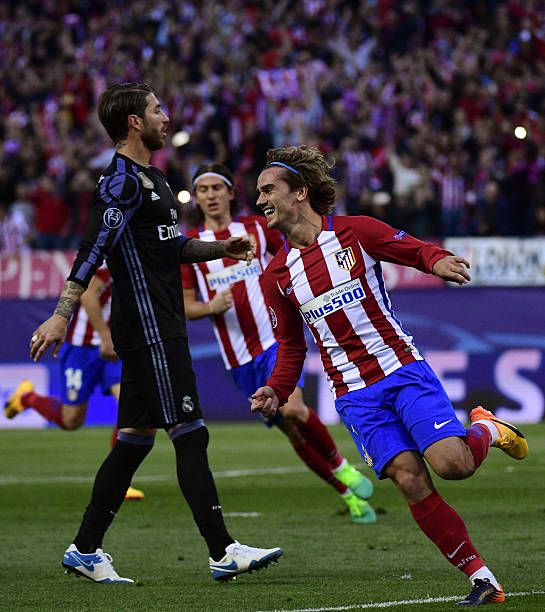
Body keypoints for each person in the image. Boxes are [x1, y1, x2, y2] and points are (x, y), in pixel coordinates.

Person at [251, 145, 529, 606]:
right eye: (259, 192)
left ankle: (487, 428)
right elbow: (292, 346)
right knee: (409, 479)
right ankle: (483, 579)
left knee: (453, 465)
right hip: (354, 395)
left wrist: (436, 260)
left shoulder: (355, 231)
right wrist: (276, 390)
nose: (260, 200)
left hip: (401, 370)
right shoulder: (276, 277)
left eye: (268, 190)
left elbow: (411, 248)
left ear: (300, 192)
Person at [29, 82, 282, 585]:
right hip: (149, 326)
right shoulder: (120, 183)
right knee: (190, 432)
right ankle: (223, 550)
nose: (166, 117)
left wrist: (221, 249)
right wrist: (62, 313)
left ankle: (85, 549)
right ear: (134, 123)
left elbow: (171, 247)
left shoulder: (156, 179)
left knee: (133, 441)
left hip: (159, 323)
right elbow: (92, 248)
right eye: (157, 109)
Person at [181, 162, 376, 524]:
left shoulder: (257, 228)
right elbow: (185, 305)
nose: (210, 196)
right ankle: (347, 494)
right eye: (203, 190)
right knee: (293, 433)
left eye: (216, 188)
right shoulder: (192, 247)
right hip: (239, 359)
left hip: (274, 342)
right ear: (196, 197)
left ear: (230, 193)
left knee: (294, 409)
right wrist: (210, 307)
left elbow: (294, 254)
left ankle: (342, 468)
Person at [4, 266, 144, 500]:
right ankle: (27, 398)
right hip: (82, 349)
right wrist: (105, 336)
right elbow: (87, 295)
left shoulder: (138, 262)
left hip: (115, 349)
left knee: (131, 407)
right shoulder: (109, 260)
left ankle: (119, 482)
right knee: (71, 420)